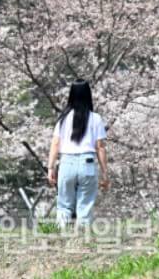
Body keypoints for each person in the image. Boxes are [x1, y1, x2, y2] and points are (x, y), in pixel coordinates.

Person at [47, 80, 110, 229]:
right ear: (88, 95)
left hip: (66, 162)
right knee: (85, 205)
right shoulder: (96, 118)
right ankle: (83, 239)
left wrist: (50, 168)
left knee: (64, 204)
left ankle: (61, 236)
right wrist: (105, 172)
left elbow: (55, 144)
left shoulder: (63, 119)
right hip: (87, 163)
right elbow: (100, 147)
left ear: (71, 95)